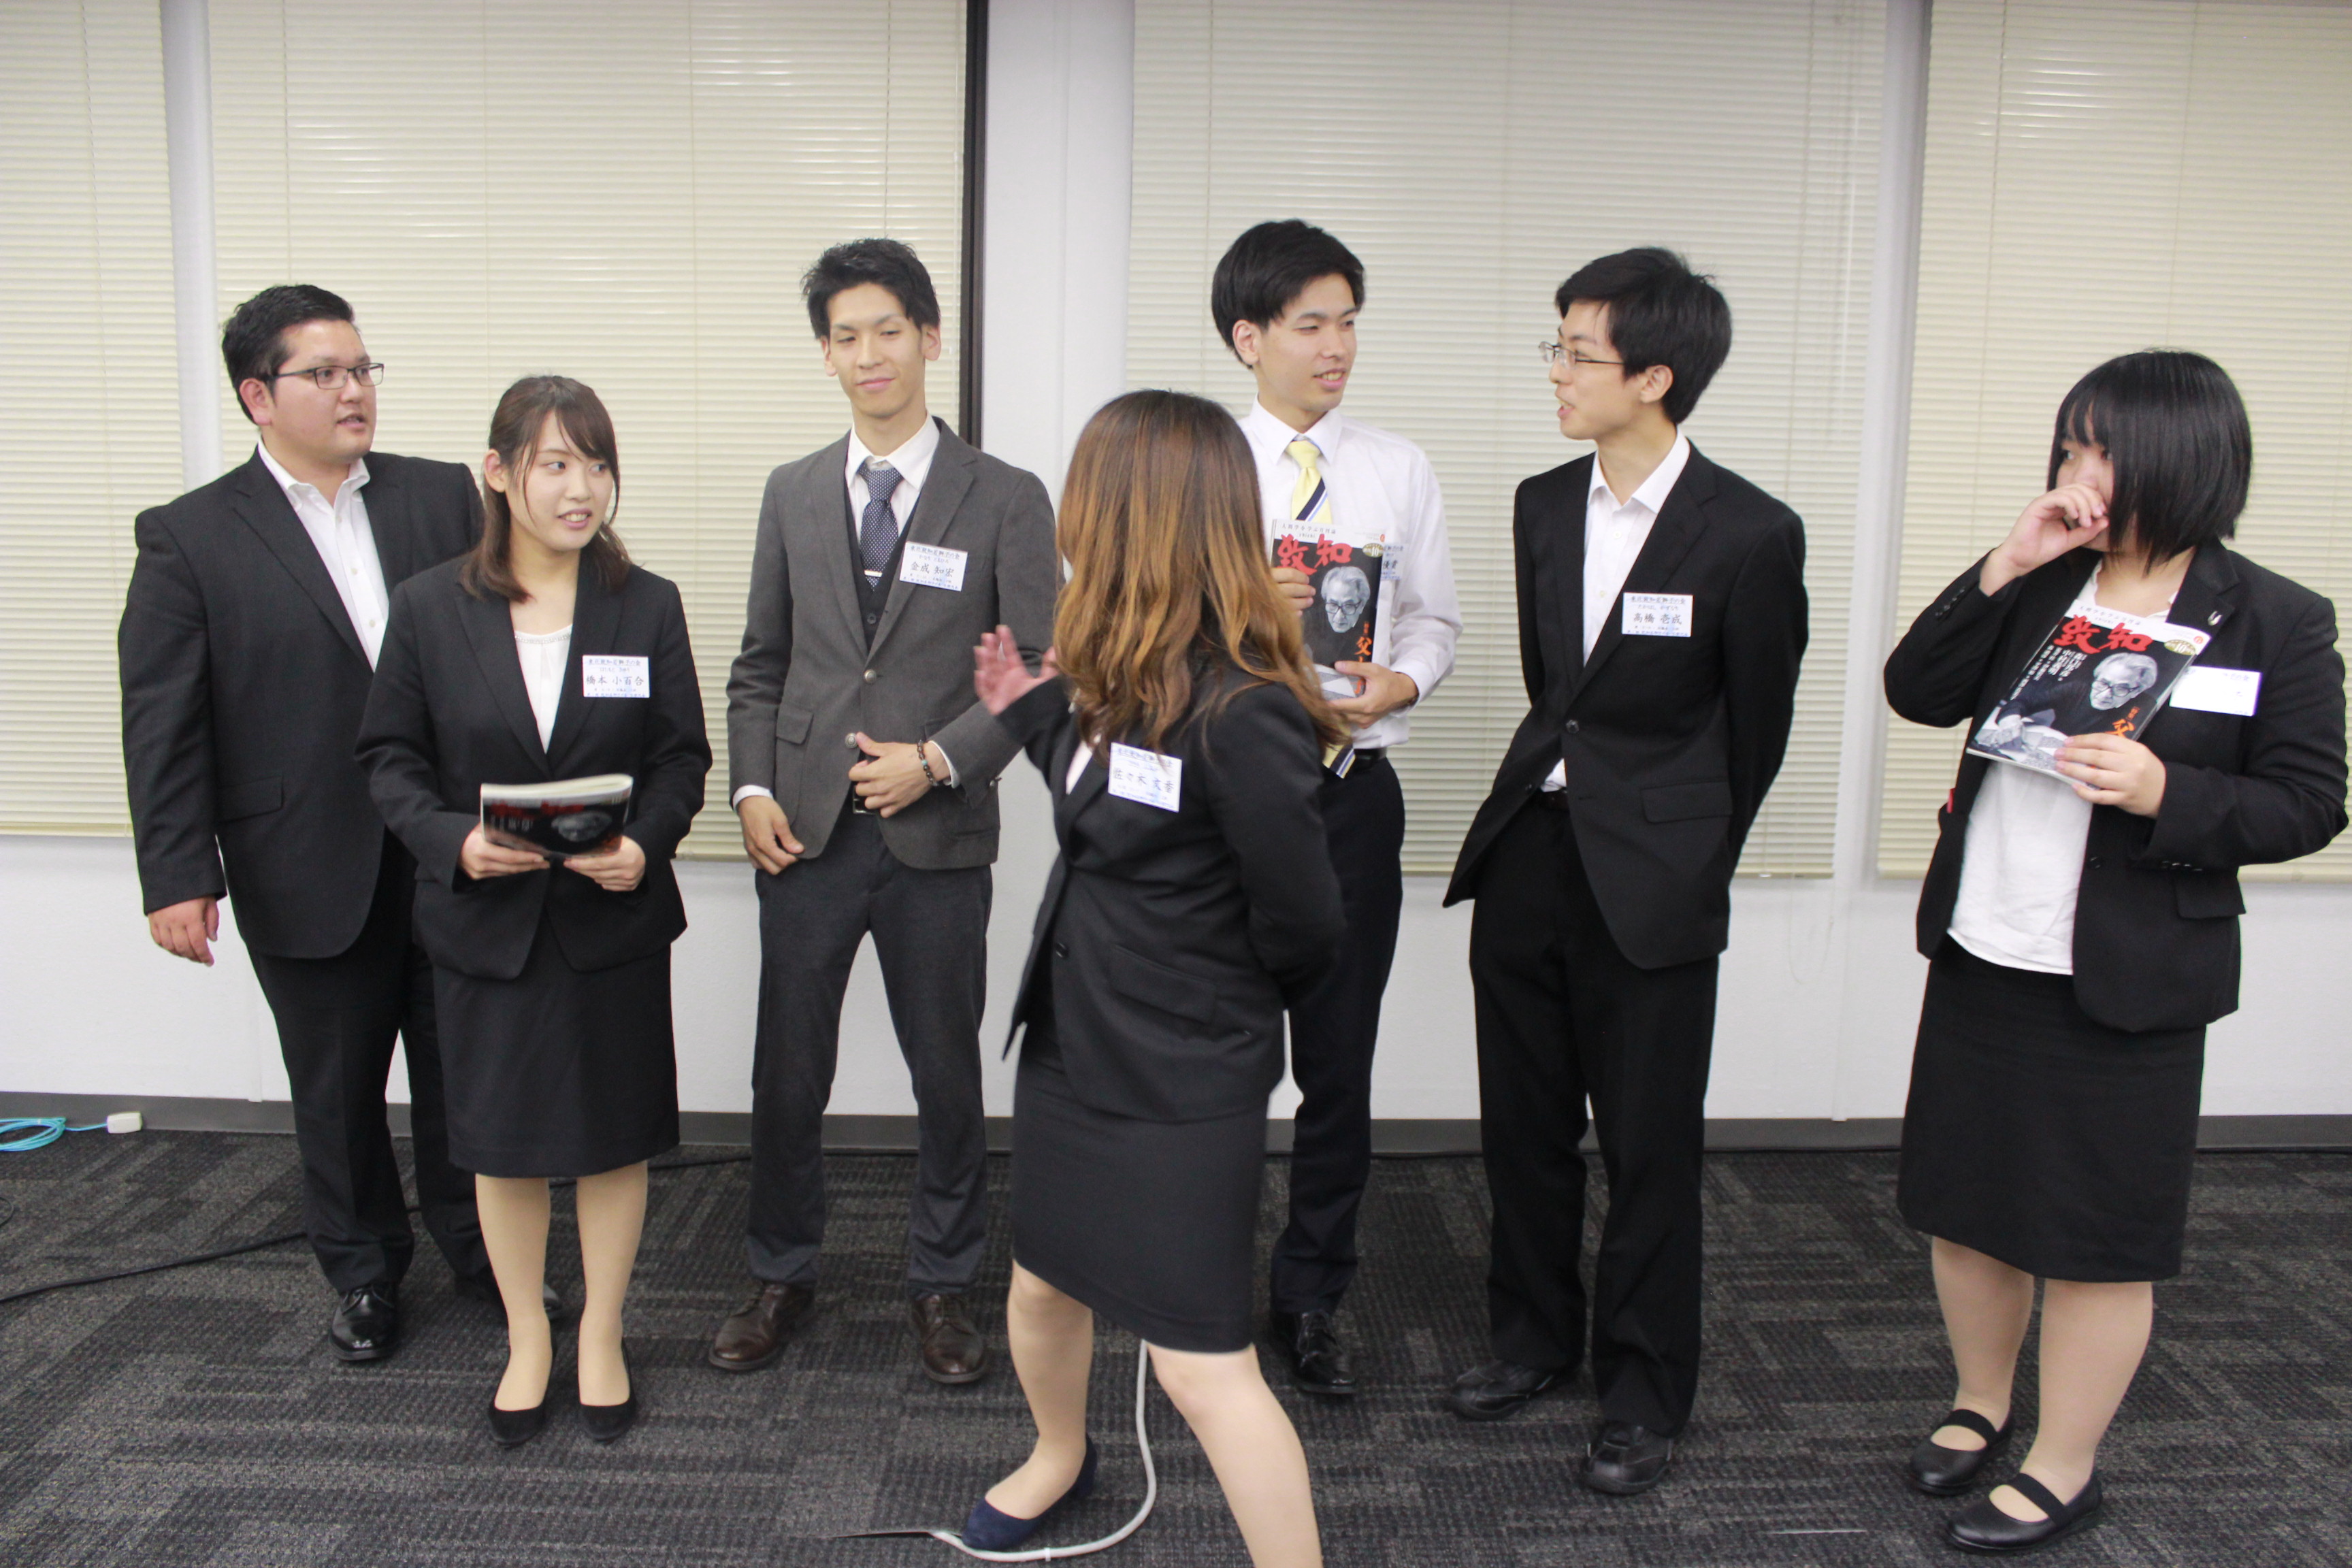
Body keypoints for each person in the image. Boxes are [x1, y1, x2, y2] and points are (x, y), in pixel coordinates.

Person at [1882, 350, 2345, 1552]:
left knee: (2096, 1232)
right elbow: (1915, 689)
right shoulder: (2048, 584)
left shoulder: (2277, 618)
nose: (2079, 473)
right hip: (1989, 942)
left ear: (2180, 459)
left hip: (2128, 973)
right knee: (1970, 1204)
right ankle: (1981, 1404)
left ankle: (2065, 1462)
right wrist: (2011, 558)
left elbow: (2309, 801)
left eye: (2102, 451)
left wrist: (2164, 789)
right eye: (2070, 448)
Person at [1443, 248, 1808, 1494]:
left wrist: (1688, 856)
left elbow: (1755, 732)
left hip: (1652, 880)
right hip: (1532, 852)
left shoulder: (1753, 532)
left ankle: (1645, 1390)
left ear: (1655, 376)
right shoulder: (1544, 504)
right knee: (1524, 1127)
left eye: (1576, 353)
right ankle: (1533, 1340)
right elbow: (1567, 696)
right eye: (1553, 345)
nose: (1555, 371)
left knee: (1650, 1144)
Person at [964, 389, 1347, 1564]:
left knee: (1198, 1367)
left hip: (1182, 1074)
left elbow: (1308, 922)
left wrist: (1208, 1007)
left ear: (1131, 517)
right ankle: (1058, 1456)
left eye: (1086, 491)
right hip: (1077, 1043)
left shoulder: (1246, 709)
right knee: (1040, 1289)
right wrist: (1029, 711)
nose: (1068, 512)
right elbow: (1111, 805)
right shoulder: (1115, 663)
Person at [118, 283, 511, 1362]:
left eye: (363, 370)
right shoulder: (191, 537)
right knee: (335, 1084)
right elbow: (163, 721)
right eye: (325, 374)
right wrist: (174, 874)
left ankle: (486, 1250)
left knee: (463, 1064)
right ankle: (366, 1272)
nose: (354, 392)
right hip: (304, 854)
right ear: (258, 395)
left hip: (450, 849)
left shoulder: (444, 500)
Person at [717, 239, 1060, 1383]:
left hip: (938, 833)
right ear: (826, 353)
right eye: (847, 336)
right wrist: (753, 786)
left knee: (945, 1071)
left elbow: (1033, 673)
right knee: (786, 1071)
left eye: (889, 331)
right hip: (803, 831)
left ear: (931, 338)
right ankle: (779, 1270)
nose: (870, 355)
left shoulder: (1004, 495)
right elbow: (761, 665)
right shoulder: (794, 491)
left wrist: (941, 759)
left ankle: (944, 1286)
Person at [357, 376, 709, 1446]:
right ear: (498, 473)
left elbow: (680, 758)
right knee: (500, 1146)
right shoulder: (427, 608)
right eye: (556, 464)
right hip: (487, 926)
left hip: (607, 925)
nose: (581, 488)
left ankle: (601, 1330)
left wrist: (644, 843)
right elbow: (388, 759)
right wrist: (451, 843)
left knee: (611, 1142)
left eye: (597, 464)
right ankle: (528, 1336)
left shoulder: (646, 603)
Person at [1211, 219, 1462, 1396]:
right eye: (1312, 324)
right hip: (1224, 806)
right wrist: (1236, 623)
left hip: (1355, 795)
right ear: (1247, 337)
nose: (1338, 346)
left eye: (1349, 321)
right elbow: (1135, 631)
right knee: (1218, 1053)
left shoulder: (1397, 468)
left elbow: (1435, 623)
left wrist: (1399, 681)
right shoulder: (1198, 464)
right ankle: (1199, 1279)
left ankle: (1313, 1294)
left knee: (1340, 1065)